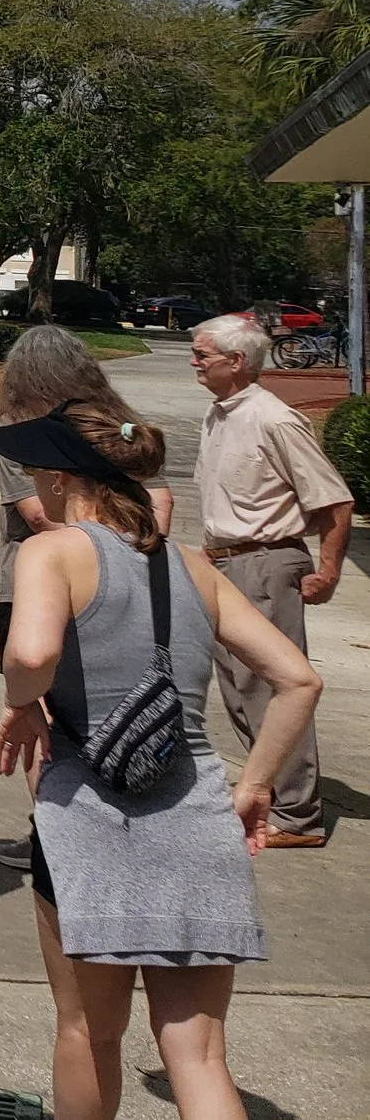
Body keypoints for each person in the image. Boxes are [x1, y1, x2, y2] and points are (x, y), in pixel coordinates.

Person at [0, 399, 321, 1120]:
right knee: (198, 1057)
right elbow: (298, 678)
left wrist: (22, 701)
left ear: (56, 474)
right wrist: (255, 784)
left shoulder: (54, 551)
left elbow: (33, 651)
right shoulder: (193, 567)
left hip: (85, 821)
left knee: (88, 1031)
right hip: (197, 816)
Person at [0, 326, 176, 874]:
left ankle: (54, 834)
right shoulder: (115, 423)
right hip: (129, 590)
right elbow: (157, 501)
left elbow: (38, 515)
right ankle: (108, 823)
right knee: (115, 709)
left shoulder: (21, 434)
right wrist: (129, 550)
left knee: (39, 720)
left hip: (34, 595)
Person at [189, 313, 354, 847]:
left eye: (203, 354)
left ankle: (296, 815)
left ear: (237, 362)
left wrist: (327, 570)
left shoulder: (273, 419)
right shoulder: (220, 414)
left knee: (273, 686)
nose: (195, 361)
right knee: (239, 689)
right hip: (226, 561)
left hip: (264, 562)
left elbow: (335, 501)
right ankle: (268, 793)